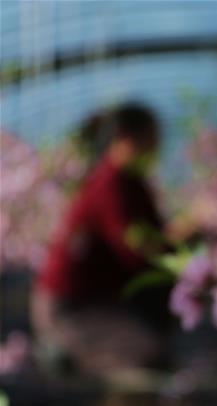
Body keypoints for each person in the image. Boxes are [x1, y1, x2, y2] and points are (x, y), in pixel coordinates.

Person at [32, 103, 169, 373]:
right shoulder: (111, 185)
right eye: (150, 137)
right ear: (124, 137)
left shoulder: (131, 182)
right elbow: (136, 251)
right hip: (71, 309)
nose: (155, 146)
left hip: (95, 303)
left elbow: (153, 237)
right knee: (146, 358)